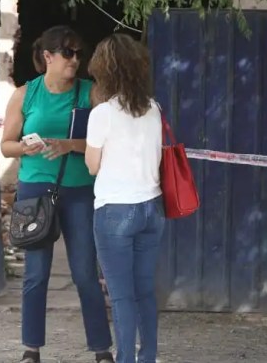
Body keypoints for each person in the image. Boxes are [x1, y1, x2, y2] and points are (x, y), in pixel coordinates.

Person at [0, 25, 114, 363]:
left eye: (79, 53)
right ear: (48, 56)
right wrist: (25, 147)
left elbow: (109, 142)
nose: (75, 60)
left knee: (85, 273)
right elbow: (6, 145)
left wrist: (70, 145)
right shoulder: (26, 94)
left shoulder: (91, 93)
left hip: (80, 190)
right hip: (35, 189)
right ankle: (31, 349)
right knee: (36, 273)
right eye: (68, 53)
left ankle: (102, 350)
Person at [85, 34, 164, 363]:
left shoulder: (102, 113)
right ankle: (147, 357)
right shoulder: (154, 109)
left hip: (115, 210)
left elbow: (92, 166)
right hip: (151, 208)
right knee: (144, 292)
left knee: (121, 297)